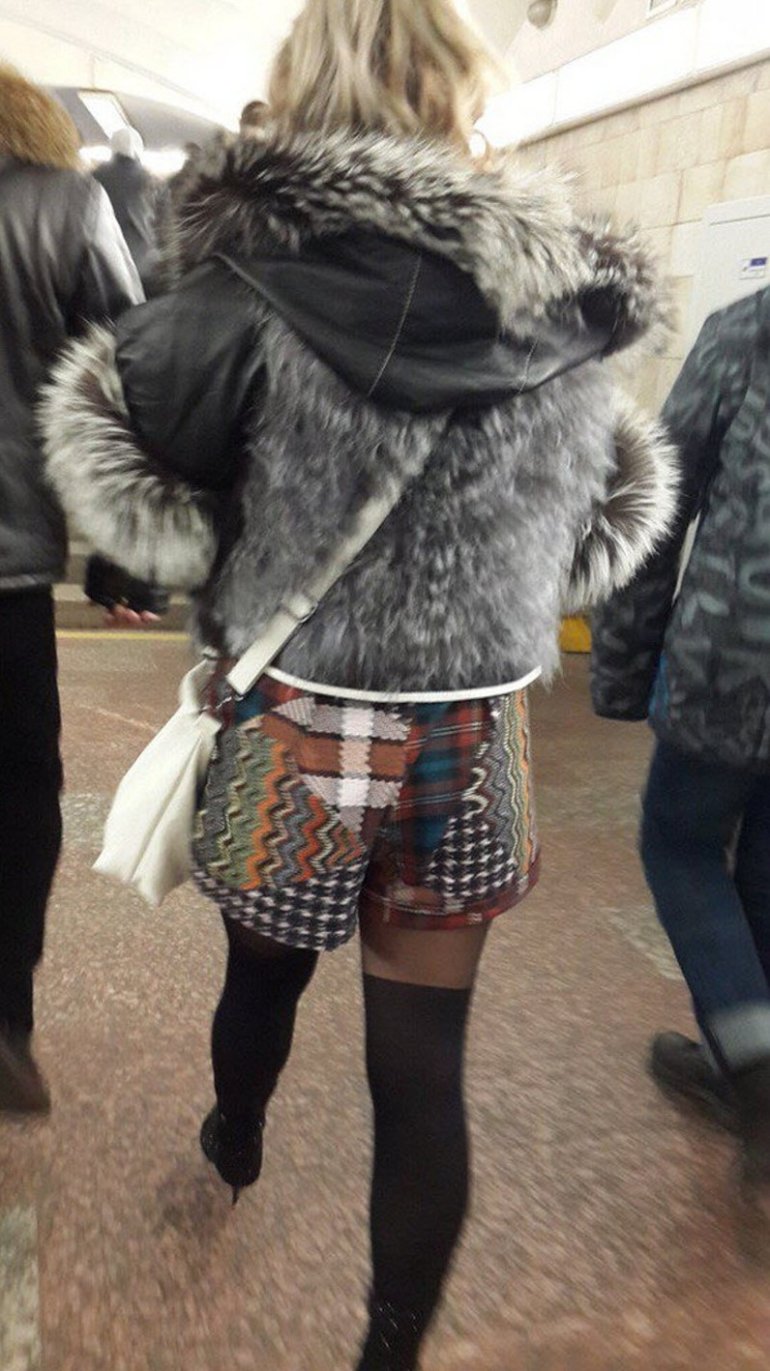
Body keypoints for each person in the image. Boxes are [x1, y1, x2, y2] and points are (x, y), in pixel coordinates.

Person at [42, 1, 675, 1364]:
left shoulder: (242, 290)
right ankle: (389, 1347)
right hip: (473, 727)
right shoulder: (569, 305)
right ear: (461, 93)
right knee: (423, 1062)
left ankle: (237, 1130)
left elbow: (124, 439)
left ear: (298, 96)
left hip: (298, 718)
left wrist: (210, 548)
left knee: (261, 975)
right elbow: (607, 512)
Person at [591, 287, 770, 1199]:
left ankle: (751, 1058)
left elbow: (656, 512)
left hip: (735, 657)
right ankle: (743, 1054)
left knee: (681, 842)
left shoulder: (747, 333)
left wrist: (623, 668)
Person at [0, 67, 142, 1112]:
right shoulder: (67, 206)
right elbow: (126, 373)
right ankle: (4, 1018)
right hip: (10, 567)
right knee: (17, 793)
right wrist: (121, 544)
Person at [94, 126, 159, 289]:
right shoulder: (152, 181)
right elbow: (165, 227)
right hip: (143, 265)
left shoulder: (93, 178)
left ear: (112, 148)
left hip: (103, 263)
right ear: (139, 150)